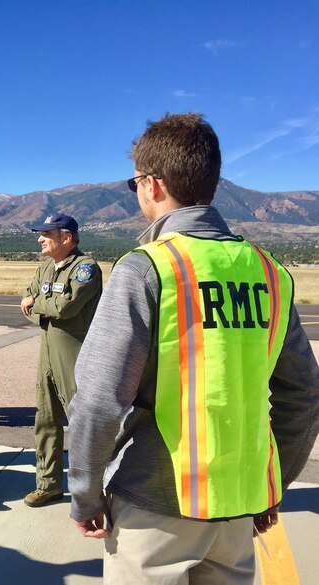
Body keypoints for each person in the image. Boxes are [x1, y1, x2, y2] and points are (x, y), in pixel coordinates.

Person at [68, 113, 319, 584]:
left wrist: (84, 493)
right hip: (239, 506)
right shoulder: (270, 273)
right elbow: (304, 396)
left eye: (135, 183)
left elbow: (100, 401)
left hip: (154, 505)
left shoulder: (147, 268)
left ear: (152, 185)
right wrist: (269, 487)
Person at [20, 213, 101, 507]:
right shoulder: (44, 268)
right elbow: (28, 305)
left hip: (75, 357)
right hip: (47, 354)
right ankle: (48, 484)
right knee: (45, 420)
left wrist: (37, 305)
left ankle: (91, 491)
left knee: (81, 425)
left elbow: (66, 307)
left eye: (46, 234)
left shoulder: (85, 268)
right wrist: (40, 306)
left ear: (66, 238)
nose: (40, 239)